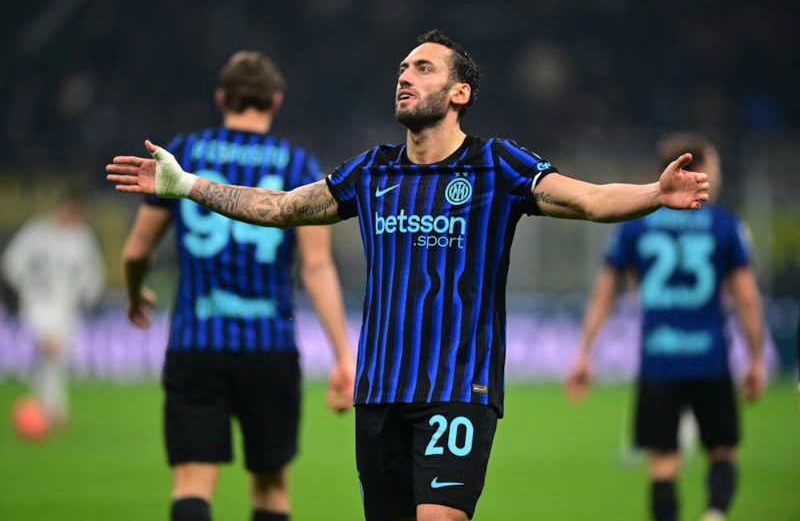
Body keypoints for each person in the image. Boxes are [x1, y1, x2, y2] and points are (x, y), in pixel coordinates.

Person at [108, 30, 710, 521]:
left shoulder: (497, 165)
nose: (405, 76)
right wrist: (186, 185)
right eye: (402, 68)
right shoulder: (371, 171)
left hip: (458, 389)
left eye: (423, 68)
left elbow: (589, 200)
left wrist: (654, 194)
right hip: (379, 394)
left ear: (459, 93)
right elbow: (283, 208)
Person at [119, 51, 355, 521]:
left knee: (191, 485)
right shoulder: (296, 163)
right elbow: (316, 267)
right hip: (270, 347)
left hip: (195, 342)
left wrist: (134, 293)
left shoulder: (184, 153)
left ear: (221, 98)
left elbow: (136, 251)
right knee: (270, 489)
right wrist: (343, 355)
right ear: (276, 102)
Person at [564, 133, 767, 521]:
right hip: (710, 358)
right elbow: (746, 298)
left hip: (659, 360)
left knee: (663, 461)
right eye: (715, 166)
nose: (719, 174)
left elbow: (605, 293)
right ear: (697, 169)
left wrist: (584, 352)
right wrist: (756, 358)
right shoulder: (725, 225)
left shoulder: (635, 225)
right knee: (723, 449)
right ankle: (714, 513)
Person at [1, 187, 105, 431]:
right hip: (36, 305)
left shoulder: (82, 238)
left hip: (65, 309)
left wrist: (85, 297)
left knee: (54, 361)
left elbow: (93, 276)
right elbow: (11, 263)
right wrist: (24, 289)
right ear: (64, 207)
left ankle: (44, 411)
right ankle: (54, 412)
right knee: (50, 350)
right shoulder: (37, 232)